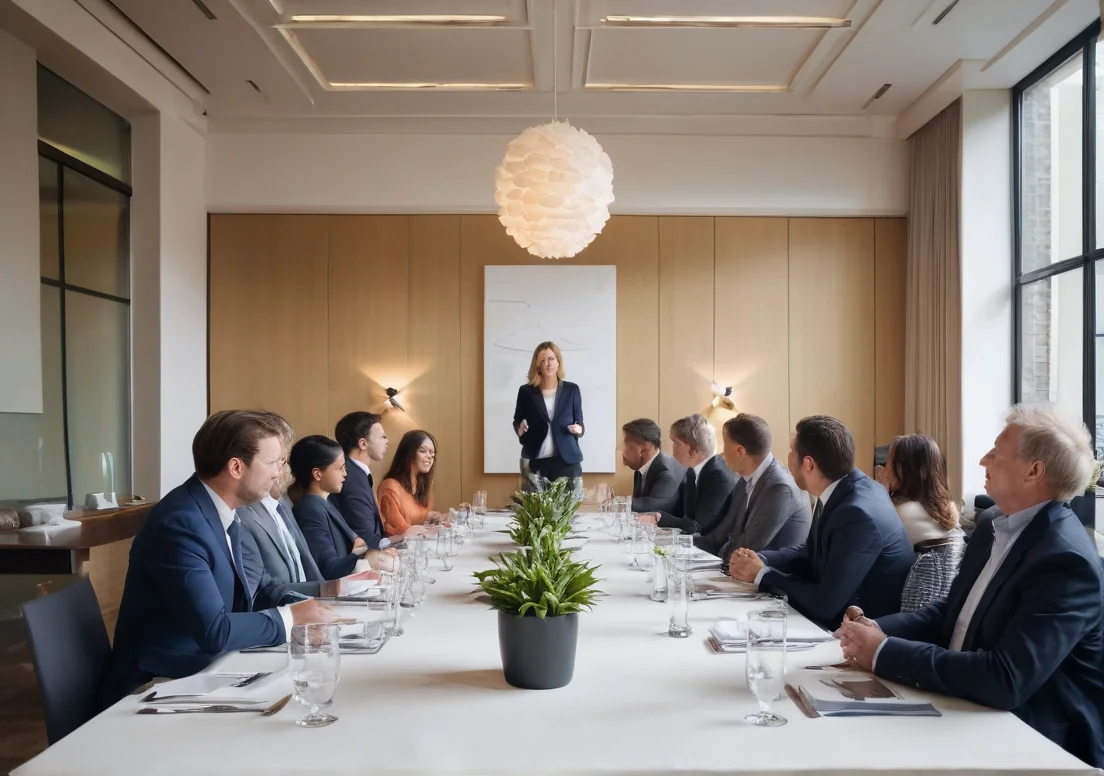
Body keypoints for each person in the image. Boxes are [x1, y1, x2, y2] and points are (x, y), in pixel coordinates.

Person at [839, 405, 1104, 768]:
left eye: (996, 452)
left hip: (1036, 743)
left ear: (1034, 470)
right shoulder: (993, 525)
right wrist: (876, 629)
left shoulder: (1064, 561)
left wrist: (884, 652)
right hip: (968, 710)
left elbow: (1005, 678)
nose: (983, 460)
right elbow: (953, 613)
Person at [102, 410, 347, 705]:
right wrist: (291, 619)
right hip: (156, 685)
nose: (279, 473)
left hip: (206, 668)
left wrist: (312, 604)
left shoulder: (221, 510)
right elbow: (213, 631)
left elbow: (260, 589)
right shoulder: (181, 522)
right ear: (236, 468)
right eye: (271, 463)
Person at [729, 415, 914, 629]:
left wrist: (762, 574)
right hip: (834, 617)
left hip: (857, 633)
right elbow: (809, 553)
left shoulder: (856, 513)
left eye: (791, 450)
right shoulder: (842, 489)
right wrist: (759, 559)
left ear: (808, 463)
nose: (787, 457)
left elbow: (825, 603)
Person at [700, 413, 810, 559]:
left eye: (725, 445)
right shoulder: (744, 480)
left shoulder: (780, 487)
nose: (722, 453)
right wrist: (683, 546)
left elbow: (749, 547)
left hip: (771, 576)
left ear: (740, 451)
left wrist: (715, 555)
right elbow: (722, 533)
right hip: (739, 572)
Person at [290, 435, 370, 579]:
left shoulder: (326, 501)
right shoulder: (310, 507)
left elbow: (359, 542)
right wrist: (364, 557)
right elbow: (328, 568)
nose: (345, 474)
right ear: (317, 474)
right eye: (340, 468)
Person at [639, 414, 734, 536]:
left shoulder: (718, 478)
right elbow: (676, 509)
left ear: (693, 450)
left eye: (676, 444)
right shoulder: (691, 472)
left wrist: (659, 518)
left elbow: (699, 526)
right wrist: (652, 514)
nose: (673, 449)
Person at [513, 341, 584, 488]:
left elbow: (580, 422)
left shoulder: (572, 390)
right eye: (543, 360)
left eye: (551, 359)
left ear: (558, 362)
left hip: (567, 461)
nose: (548, 364)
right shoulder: (526, 392)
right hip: (536, 460)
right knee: (536, 510)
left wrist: (578, 429)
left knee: (566, 509)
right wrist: (519, 429)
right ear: (537, 365)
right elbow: (517, 420)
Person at [875, 434, 964, 548]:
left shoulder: (901, 512)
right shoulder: (947, 509)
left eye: (887, 462)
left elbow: (870, 545)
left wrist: (881, 493)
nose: (884, 469)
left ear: (902, 469)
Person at [330, 411, 391, 550]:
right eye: (383, 436)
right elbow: (365, 536)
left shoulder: (355, 472)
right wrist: (405, 537)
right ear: (363, 443)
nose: (387, 441)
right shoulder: (351, 478)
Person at [378, 430, 448, 537]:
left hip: (419, 544)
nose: (430, 457)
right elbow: (400, 530)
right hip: (397, 548)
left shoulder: (425, 484)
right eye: (423, 451)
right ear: (408, 453)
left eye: (432, 454)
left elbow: (419, 515)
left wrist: (437, 517)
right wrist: (430, 529)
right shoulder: (390, 486)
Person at [621, 418, 685, 514]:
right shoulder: (640, 469)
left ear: (643, 450)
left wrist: (613, 502)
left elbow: (651, 510)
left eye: (628, 446)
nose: (623, 452)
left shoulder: (665, 474)